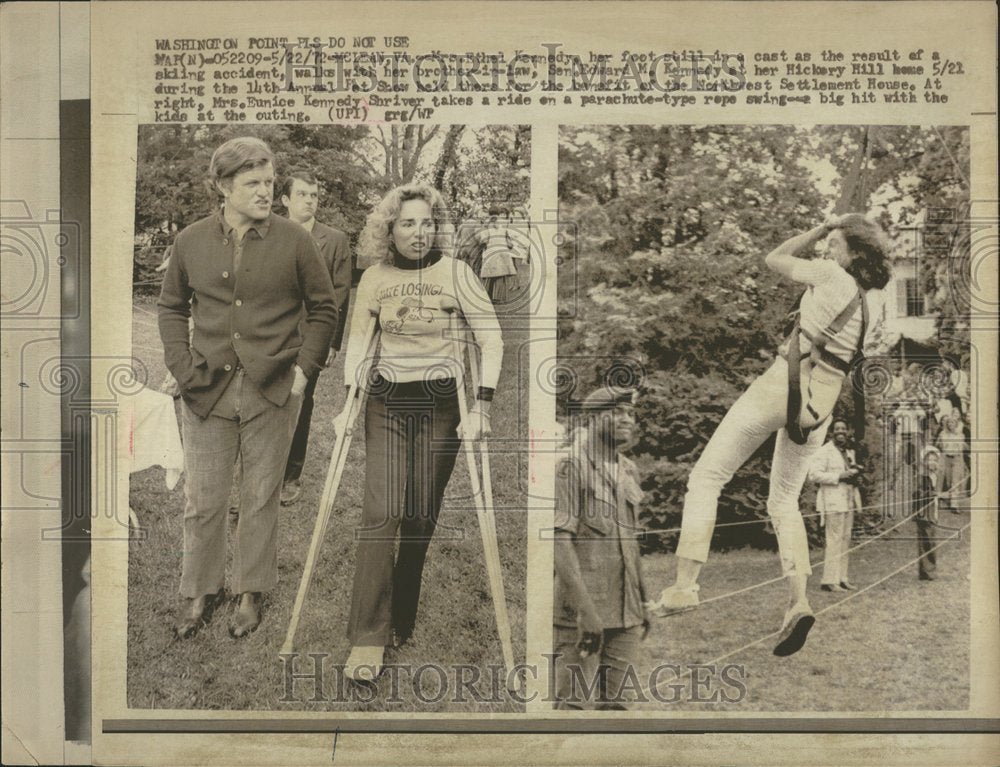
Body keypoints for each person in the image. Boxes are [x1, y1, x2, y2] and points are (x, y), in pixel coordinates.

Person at [651, 212, 890, 656]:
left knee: (706, 478)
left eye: (835, 243)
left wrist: (818, 228)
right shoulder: (872, 307)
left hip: (785, 381)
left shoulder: (829, 273)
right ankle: (798, 601)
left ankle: (684, 587)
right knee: (783, 501)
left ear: (854, 253)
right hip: (819, 404)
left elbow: (773, 257)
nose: (827, 249)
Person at [158, 137, 338, 639]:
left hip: (272, 388)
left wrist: (303, 370)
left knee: (261, 496)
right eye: (252, 183)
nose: (266, 192)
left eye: (270, 182)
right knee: (204, 497)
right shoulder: (190, 240)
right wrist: (180, 361)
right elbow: (171, 307)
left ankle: (250, 590)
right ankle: (200, 588)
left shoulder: (295, 240)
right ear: (222, 187)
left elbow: (324, 308)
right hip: (205, 390)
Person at [338, 183, 504, 681]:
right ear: (389, 228)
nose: (418, 232)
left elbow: (491, 340)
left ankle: (401, 608)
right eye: (407, 223)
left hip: (441, 406)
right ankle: (367, 638)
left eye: (427, 223)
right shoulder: (374, 278)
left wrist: (483, 407)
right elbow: (358, 345)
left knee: (419, 512)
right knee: (381, 509)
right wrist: (350, 401)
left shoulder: (457, 273)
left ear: (438, 228)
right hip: (387, 401)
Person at [552, 385, 650, 710]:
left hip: (627, 614)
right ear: (593, 418)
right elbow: (561, 544)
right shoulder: (570, 467)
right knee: (572, 708)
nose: (627, 419)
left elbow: (630, 544)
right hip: (583, 615)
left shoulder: (629, 470)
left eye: (630, 413)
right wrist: (585, 611)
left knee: (619, 709)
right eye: (617, 412)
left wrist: (643, 604)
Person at [278, 170, 353, 506]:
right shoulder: (267, 232)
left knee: (301, 402)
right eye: (303, 194)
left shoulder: (334, 240)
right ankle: (259, 474)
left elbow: (339, 293)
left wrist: (331, 341)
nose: (310, 201)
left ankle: (290, 477)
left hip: (310, 338)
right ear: (285, 200)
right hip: (270, 335)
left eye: (315, 195)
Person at [807, 419, 862, 592]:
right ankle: (829, 580)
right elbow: (814, 475)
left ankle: (842, 578)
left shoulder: (848, 452)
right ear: (831, 432)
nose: (841, 431)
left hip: (848, 501)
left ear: (848, 431)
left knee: (845, 539)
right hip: (832, 501)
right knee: (834, 540)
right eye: (837, 428)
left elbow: (851, 475)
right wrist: (840, 476)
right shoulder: (824, 451)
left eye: (844, 428)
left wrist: (856, 477)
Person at [914, 446, 945, 580]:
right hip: (924, 513)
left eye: (935, 460)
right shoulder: (921, 477)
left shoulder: (937, 476)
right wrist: (932, 493)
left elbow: (939, 493)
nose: (932, 463)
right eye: (929, 460)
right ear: (924, 462)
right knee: (927, 541)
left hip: (933, 512)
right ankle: (927, 571)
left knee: (931, 540)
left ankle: (927, 570)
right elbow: (918, 494)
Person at [477, 211, 519, 304]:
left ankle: (488, 297)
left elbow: (483, 242)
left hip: (491, 253)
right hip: (503, 253)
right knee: (501, 276)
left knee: (489, 276)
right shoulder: (504, 229)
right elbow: (510, 244)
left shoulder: (486, 230)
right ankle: (500, 298)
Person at [936, 412, 968, 513]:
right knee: (942, 480)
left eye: (953, 422)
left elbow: (962, 448)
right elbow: (938, 444)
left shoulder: (960, 435)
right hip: (945, 457)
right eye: (949, 422)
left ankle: (954, 505)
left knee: (955, 482)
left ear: (956, 424)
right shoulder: (942, 434)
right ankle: (936, 501)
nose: (950, 424)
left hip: (957, 459)